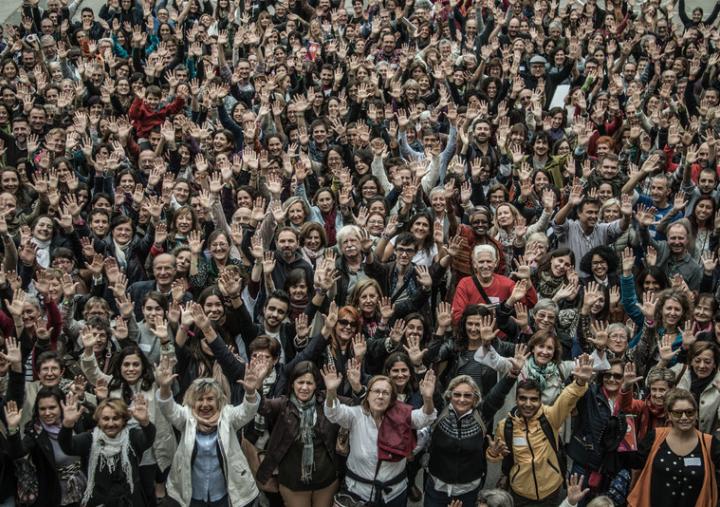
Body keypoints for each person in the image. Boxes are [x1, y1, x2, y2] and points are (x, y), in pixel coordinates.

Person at [155, 354, 267, 507]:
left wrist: (251, 393)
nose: (205, 404)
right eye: (200, 399)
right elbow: (168, 408)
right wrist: (164, 387)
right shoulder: (186, 417)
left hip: (223, 493)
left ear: (218, 401)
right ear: (192, 402)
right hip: (193, 493)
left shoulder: (227, 415)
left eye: (209, 399)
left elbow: (247, 411)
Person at [487, 354, 594, 506]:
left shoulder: (550, 417)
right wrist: (493, 453)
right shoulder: (505, 426)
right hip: (520, 491)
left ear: (540, 400)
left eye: (534, 399)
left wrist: (580, 382)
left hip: (550, 489)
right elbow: (496, 456)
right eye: (523, 398)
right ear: (516, 399)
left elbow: (567, 398)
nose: (528, 404)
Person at [323, 364, 438, 507]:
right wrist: (331, 390)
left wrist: (427, 398)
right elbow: (333, 412)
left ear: (391, 398)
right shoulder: (356, 415)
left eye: (386, 393)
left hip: (393, 494)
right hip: (358, 492)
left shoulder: (402, 416)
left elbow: (425, 417)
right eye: (376, 391)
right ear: (368, 394)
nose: (380, 396)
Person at [58, 393, 156, 507]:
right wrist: (67, 424)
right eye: (105, 419)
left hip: (131, 500)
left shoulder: (132, 437)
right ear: (98, 420)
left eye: (115, 418)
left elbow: (148, 439)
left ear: (124, 420)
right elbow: (67, 447)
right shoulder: (89, 439)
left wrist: (145, 423)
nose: (110, 424)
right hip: (99, 501)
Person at [627, 388, 720, 507]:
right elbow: (634, 462)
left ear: (696, 414)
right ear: (669, 415)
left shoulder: (710, 443)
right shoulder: (655, 437)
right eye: (678, 413)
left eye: (690, 412)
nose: (684, 417)